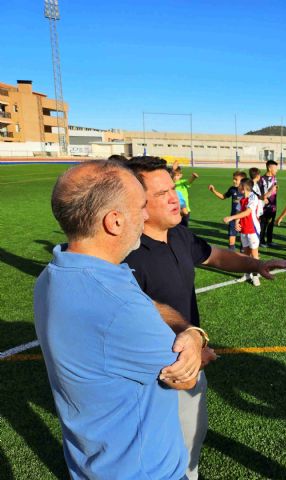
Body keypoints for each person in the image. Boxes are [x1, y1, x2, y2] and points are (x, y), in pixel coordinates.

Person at [122, 157, 286, 479]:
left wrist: (255, 265)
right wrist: (189, 347)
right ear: (136, 204)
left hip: (191, 365)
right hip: (152, 378)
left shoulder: (180, 235)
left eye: (173, 189)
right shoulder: (124, 252)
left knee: (189, 446)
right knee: (152, 456)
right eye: (162, 194)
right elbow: (134, 314)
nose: (176, 198)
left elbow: (214, 255)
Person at [34, 160, 200, 479]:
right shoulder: (118, 307)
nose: (146, 216)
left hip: (93, 464)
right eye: (140, 207)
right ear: (115, 221)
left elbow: (144, 303)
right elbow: (185, 377)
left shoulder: (55, 274)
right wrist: (193, 336)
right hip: (146, 472)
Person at [223, 178, 263, 286]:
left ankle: (255, 276)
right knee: (245, 254)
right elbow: (240, 211)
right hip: (244, 230)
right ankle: (247, 274)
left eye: (240, 185)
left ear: (244, 187)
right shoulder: (241, 199)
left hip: (253, 230)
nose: (238, 186)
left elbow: (247, 212)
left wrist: (231, 218)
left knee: (254, 255)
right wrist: (236, 223)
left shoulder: (253, 197)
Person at [208, 171, 246, 250]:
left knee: (244, 244)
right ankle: (231, 257)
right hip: (232, 218)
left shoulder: (247, 191)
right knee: (231, 242)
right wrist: (213, 191)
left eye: (236, 179)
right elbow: (223, 197)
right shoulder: (232, 189)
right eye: (233, 179)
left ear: (243, 181)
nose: (234, 181)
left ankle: (244, 257)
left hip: (244, 219)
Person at [171, 161, 199, 227]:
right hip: (175, 210)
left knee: (184, 227)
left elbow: (189, 181)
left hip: (185, 210)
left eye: (177, 175)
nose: (175, 177)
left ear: (181, 176)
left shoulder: (183, 182)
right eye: (174, 175)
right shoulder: (170, 182)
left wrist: (193, 177)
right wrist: (174, 167)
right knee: (174, 227)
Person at [258, 160, 279, 247]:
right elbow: (259, 193)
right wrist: (264, 198)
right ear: (270, 168)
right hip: (264, 206)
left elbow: (276, 190)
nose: (277, 170)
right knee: (263, 223)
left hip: (273, 205)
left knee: (271, 223)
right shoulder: (261, 179)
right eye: (275, 168)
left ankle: (269, 240)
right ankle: (261, 241)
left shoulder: (275, 178)